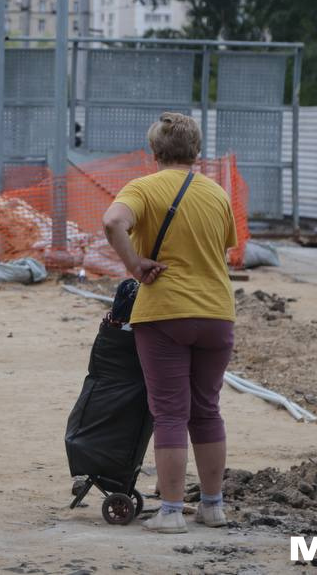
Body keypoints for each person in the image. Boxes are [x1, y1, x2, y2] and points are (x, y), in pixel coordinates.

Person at [101, 112, 237, 534]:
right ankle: (213, 507)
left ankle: (172, 513)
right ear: (196, 152)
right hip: (216, 312)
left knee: (171, 415)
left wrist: (135, 264)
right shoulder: (216, 193)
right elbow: (225, 249)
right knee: (207, 410)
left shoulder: (142, 187)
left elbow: (112, 222)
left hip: (164, 313)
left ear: (154, 152)